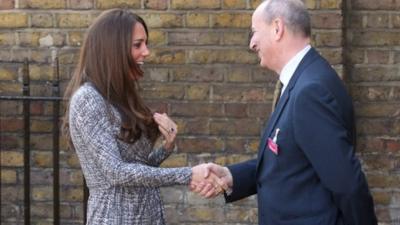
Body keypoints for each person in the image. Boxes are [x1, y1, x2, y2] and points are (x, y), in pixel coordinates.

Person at [192, 0, 378, 225]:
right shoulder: (303, 79)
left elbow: (347, 184)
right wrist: (231, 176)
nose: (252, 43)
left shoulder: (310, 91)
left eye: (254, 32)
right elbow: (290, 161)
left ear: (277, 28)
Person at [62, 9, 225, 225]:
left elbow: (137, 167)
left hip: (146, 215)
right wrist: (187, 174)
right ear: (113, 50)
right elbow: (116, 173)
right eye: (138, 45)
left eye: (145, 44)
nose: (146, 52)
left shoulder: (120, 95)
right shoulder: (88, 100)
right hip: (114, 218)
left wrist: (166, 148)